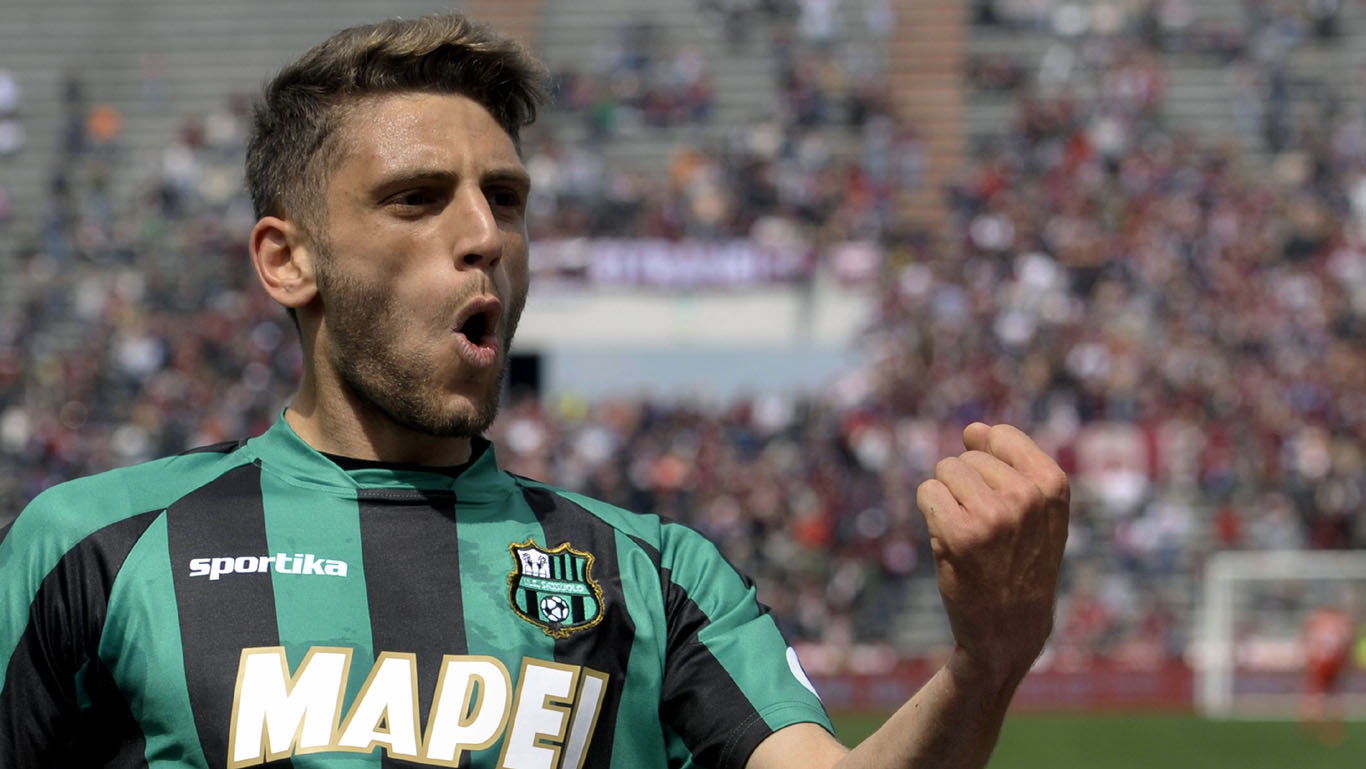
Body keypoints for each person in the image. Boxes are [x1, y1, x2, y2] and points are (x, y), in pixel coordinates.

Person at [0, 13, 1069, 769]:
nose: (482, 238)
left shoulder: (655, 574)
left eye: (503, 198)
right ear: (287, 260)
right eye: (418, 199)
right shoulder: (95, 547)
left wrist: (987, 662)